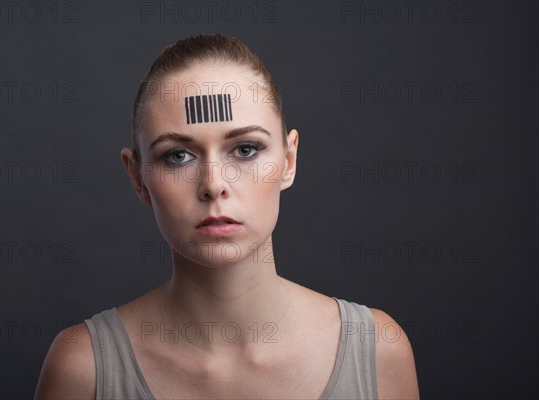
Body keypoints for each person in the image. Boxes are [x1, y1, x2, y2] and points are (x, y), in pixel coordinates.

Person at [34, 33, 419, 400]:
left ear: (288, 160)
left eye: (246, 149)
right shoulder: (84, 369)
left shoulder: (377, 350)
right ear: (138, 178)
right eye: (177, 156)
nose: (214, 185)